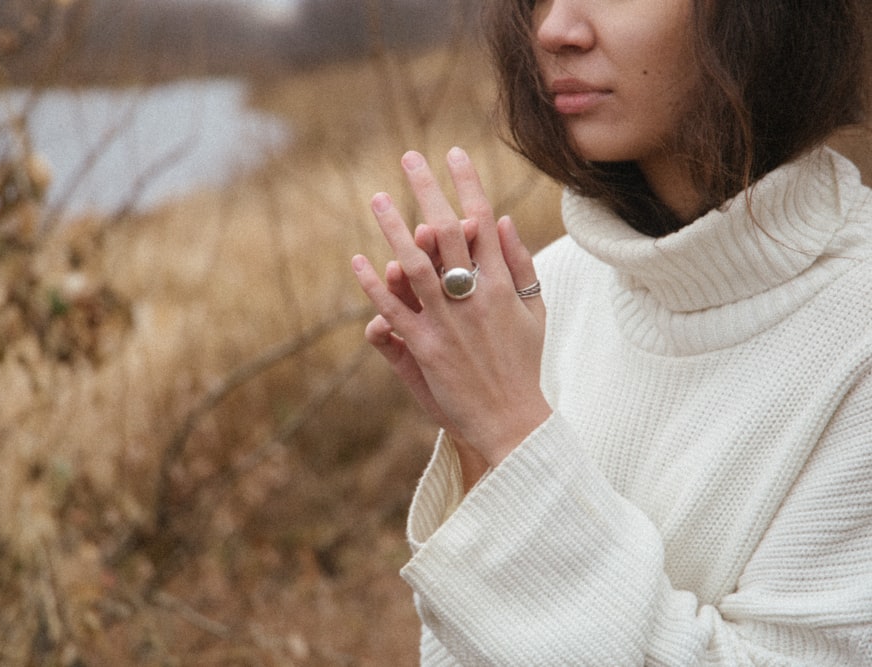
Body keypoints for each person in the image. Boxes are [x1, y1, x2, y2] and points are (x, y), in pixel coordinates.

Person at [351, 0, 872, 664]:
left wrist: (512, 433)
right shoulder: (553, 288)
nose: (553, 30)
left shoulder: (857, 325)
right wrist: (481, 441)